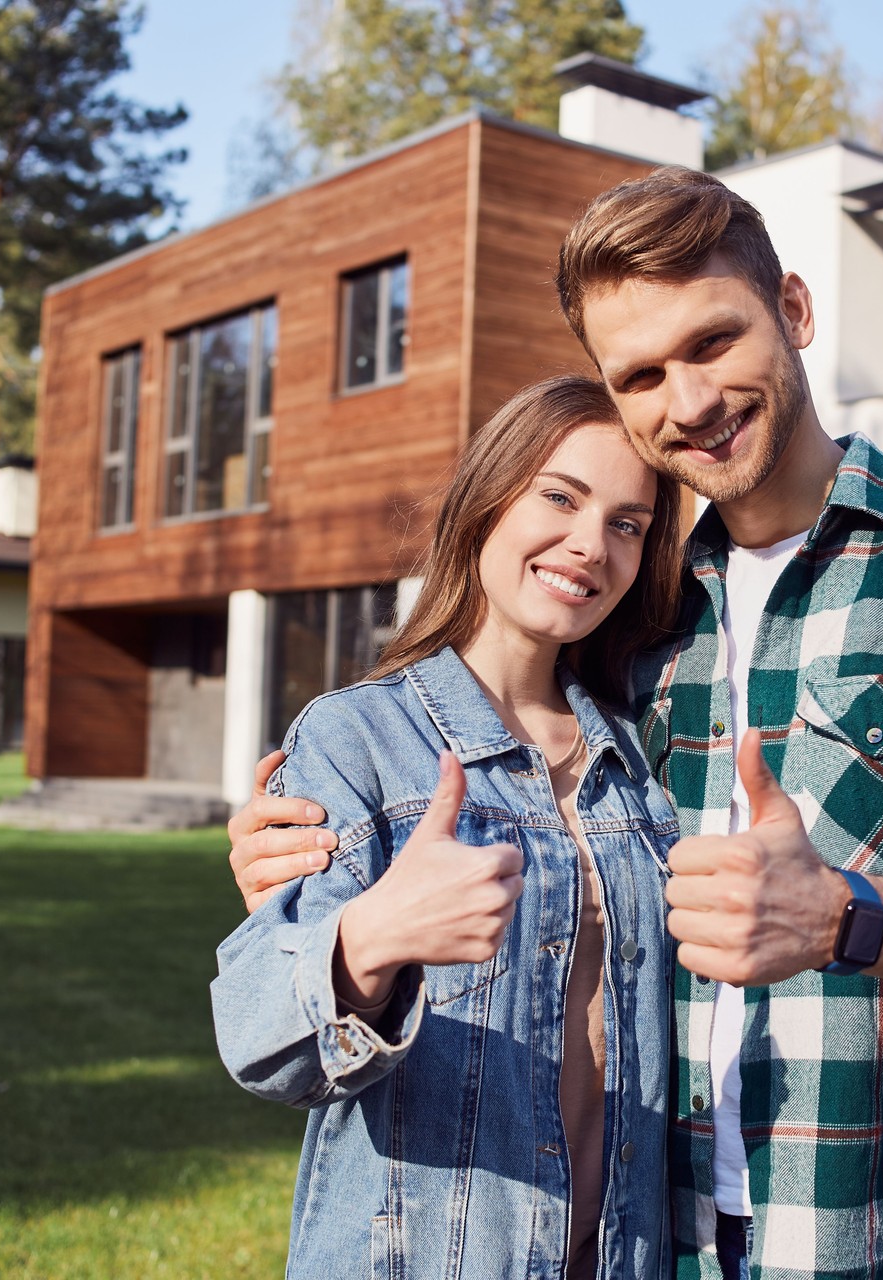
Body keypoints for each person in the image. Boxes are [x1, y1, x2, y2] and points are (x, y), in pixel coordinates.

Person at [232, 168, 883, 1280]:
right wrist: (318, 863)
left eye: (713, 341)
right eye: (643, 375)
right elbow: (505, 784)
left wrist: (848, 916)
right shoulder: (638, 621)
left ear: (793, 310)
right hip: (678, 1239)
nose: (691, 399)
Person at [211, 375, 687, 1280]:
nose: (591, 544)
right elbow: (264, 1044)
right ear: (487, 499)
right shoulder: (359, 740)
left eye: (627, 524)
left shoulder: (643, 758)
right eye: (560, 497)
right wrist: (371, 938)